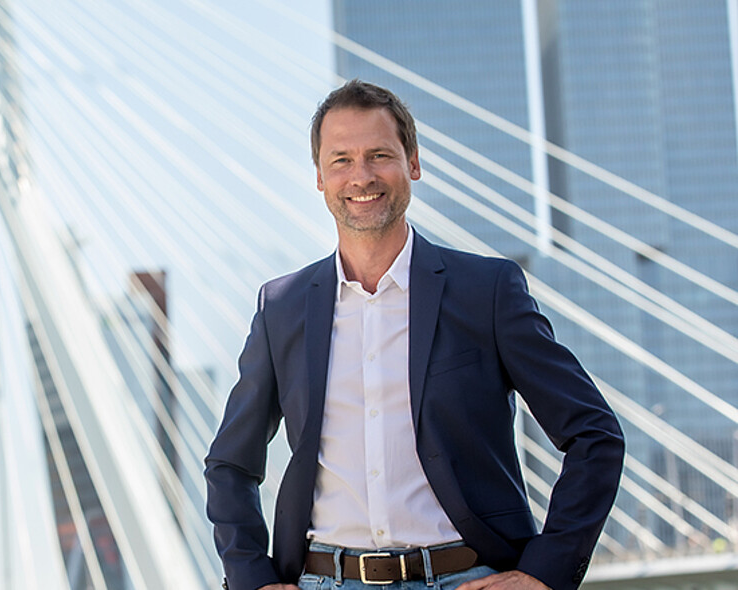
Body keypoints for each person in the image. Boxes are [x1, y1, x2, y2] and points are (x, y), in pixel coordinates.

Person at [204, 80, 624, 590]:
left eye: (379, 154)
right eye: (341, 160)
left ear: (413, 164)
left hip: (466, 576)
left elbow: (595, 435)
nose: (361, 176)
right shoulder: (282, 307)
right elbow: (230, 464)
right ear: (319, 176)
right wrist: (251, 578)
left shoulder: (486, 291)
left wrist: (545, 572)